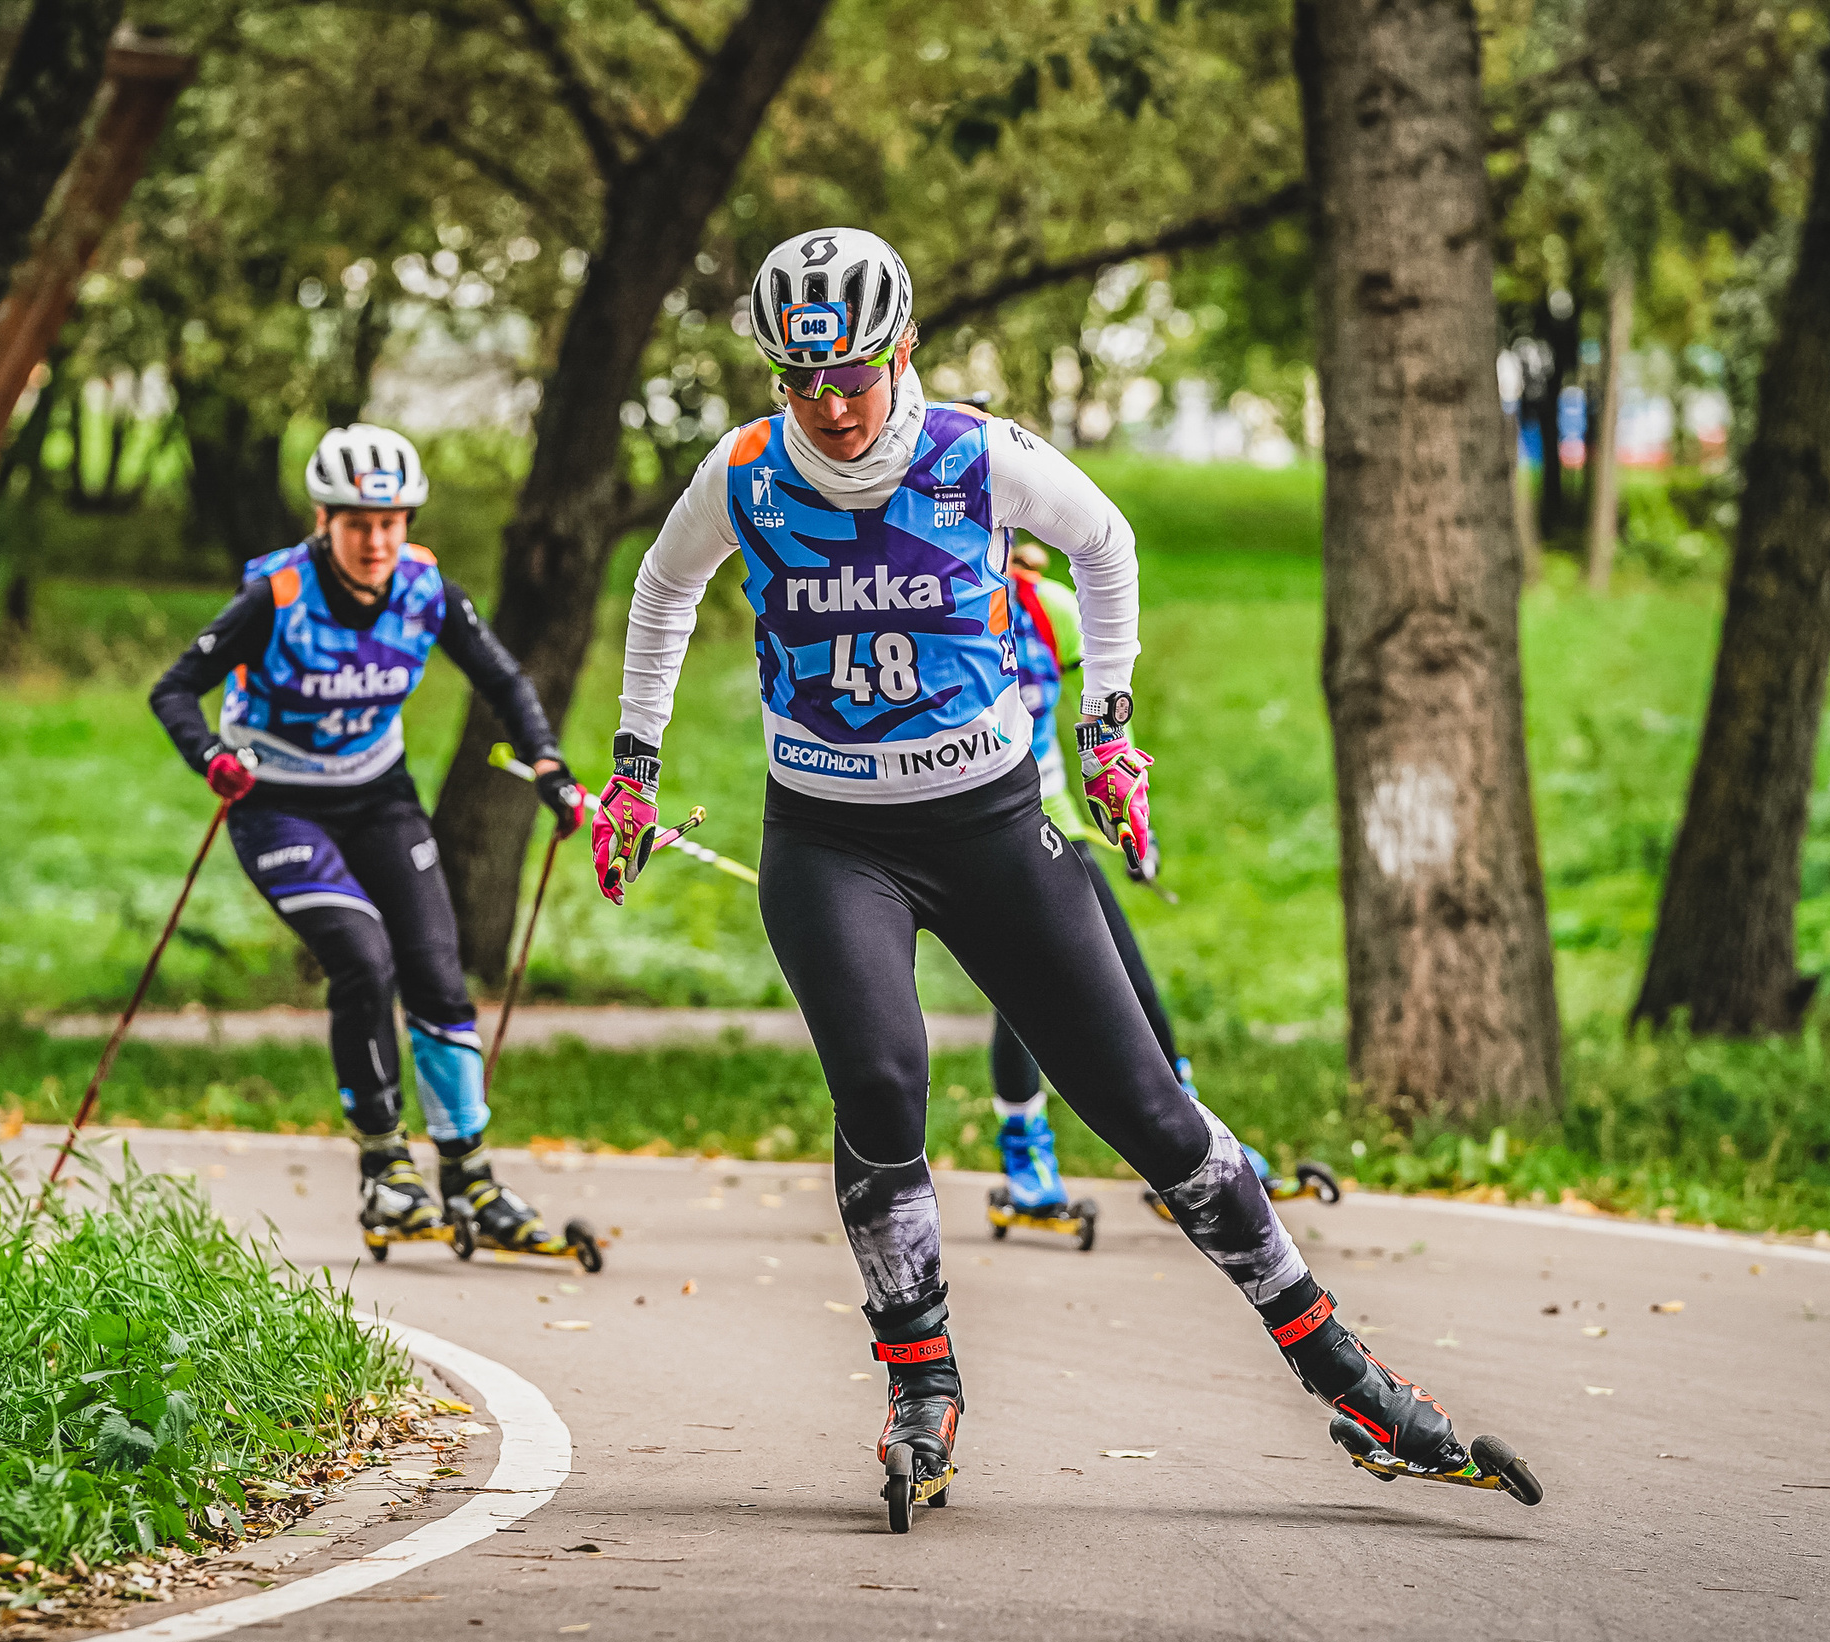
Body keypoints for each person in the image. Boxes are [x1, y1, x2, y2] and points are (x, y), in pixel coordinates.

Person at [589, 228, 1479, 1521]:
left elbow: (1106, 543)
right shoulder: (744, 472)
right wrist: (635, 761)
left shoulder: (972, 455)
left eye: (853, 375)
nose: (832, 407)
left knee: (1151, 1110)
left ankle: (1338, 1364)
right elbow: (662, 590)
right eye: (801, 380)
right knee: (884, 1085)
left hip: (995, 826)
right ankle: (919, 1380)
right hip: (830, 839)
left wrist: (1109, 732)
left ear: (903, 352)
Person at [149, 424, 585, 1253]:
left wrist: (550, 766)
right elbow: (175, 690)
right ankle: (386, 1171)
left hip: (376, 793)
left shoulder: (427, 589)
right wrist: (211, 757)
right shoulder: (276, 595)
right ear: (325, 519)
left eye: (391, 522)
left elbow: (504, 680)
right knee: (362, 955)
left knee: (433, 966)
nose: (377, 540)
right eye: (358, 523)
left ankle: (470, 1177)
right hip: (276, 802)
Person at [990, 545, 1280, 1222]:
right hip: (976, 829)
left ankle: (1186, 1133)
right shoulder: (938, 611)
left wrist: (1128, 820)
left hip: (1053, 816)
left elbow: (1100, 716)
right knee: (1018, 986)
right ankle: (1026, 1152)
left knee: (1123, 966)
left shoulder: (1046, 609)